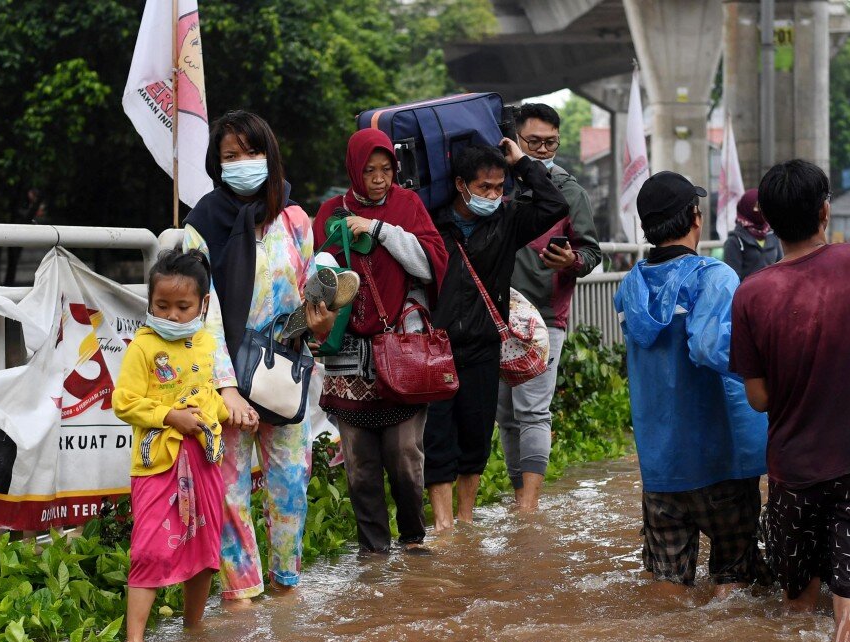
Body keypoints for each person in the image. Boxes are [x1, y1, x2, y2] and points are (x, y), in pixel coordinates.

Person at [731, 160, 850, 642]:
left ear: (769, 222)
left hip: (792, 470)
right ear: (825, 212)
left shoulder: (751, 293)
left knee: (796, 605)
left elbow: (758, 398)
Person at [613, 171, 768, 598]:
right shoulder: (714, 276)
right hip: (721, 459)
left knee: (668, 584)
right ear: (696, 217)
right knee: (733, 581)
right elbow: (710, 347)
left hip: (660, 464)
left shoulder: (629, 286)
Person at [183, 110, 314, 604]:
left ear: (270, 154)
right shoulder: (201, 225)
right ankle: (241, 597)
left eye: (253, 152)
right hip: (226, 380)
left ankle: (286, 587)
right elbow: (204, 313)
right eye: (231, 155)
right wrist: (227, 387)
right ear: (217, 165)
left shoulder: (295, 219)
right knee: (229, 493)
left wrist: (319, 319)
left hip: (283, 374)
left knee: (291, 485)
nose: (244, 163)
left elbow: (308, 292)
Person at [309, 128, 448, 554]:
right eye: (369, 170)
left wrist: (379, 228)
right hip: (348, 357)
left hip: (401, 351)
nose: (378, 179)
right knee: (360, 465)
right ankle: (373, 554)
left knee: (405, 454)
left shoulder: (407, 205)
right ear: (354, 169)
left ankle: (413, 541)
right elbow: (315, 278)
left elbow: (431, 264)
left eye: (386, 169)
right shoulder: (330, 213)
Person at [426, 141, 567, 530]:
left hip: (484, 347)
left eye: (498, 187)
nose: (492, 195)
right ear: (460, 184)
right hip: (436, 347)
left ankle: (466, 520)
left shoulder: (507, 221)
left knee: (475, 435)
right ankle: (443, 526)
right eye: (483, 187)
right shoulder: (432, 223)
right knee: (437, 436)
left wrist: (522, 163)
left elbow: (555, 205)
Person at [114, 250, 230, 642]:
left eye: (183, 306)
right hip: (158, 464)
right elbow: (124, 401)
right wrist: (169, 416)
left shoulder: (207, 343)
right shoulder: (142, 348)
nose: (173, 315)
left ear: (203, 304)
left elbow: (209, 394)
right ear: (149, 302)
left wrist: (226, 412)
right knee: (150, 549)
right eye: (162, 306)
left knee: (205, 548)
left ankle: (193, 631)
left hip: (204, 460)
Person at [496, 104, 602, 513]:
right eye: (534, 142)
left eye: (551, 143)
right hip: (495, 313)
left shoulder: (568, 191)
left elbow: (591, 252)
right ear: (516, 139)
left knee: (533, 411)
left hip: (544, 315)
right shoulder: (499, 183)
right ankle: (519, 497)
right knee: (506, 414)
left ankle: (529, 507)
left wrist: (572, 261)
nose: (542, 150)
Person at [722, 188, 782, 280]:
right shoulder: (735, 241)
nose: (761, 211)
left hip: (773, 288)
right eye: (757, 207)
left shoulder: (772, 235)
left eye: (764, 207)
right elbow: (732, 280)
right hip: (747, 289)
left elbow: (781, 268)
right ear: (747, 208)